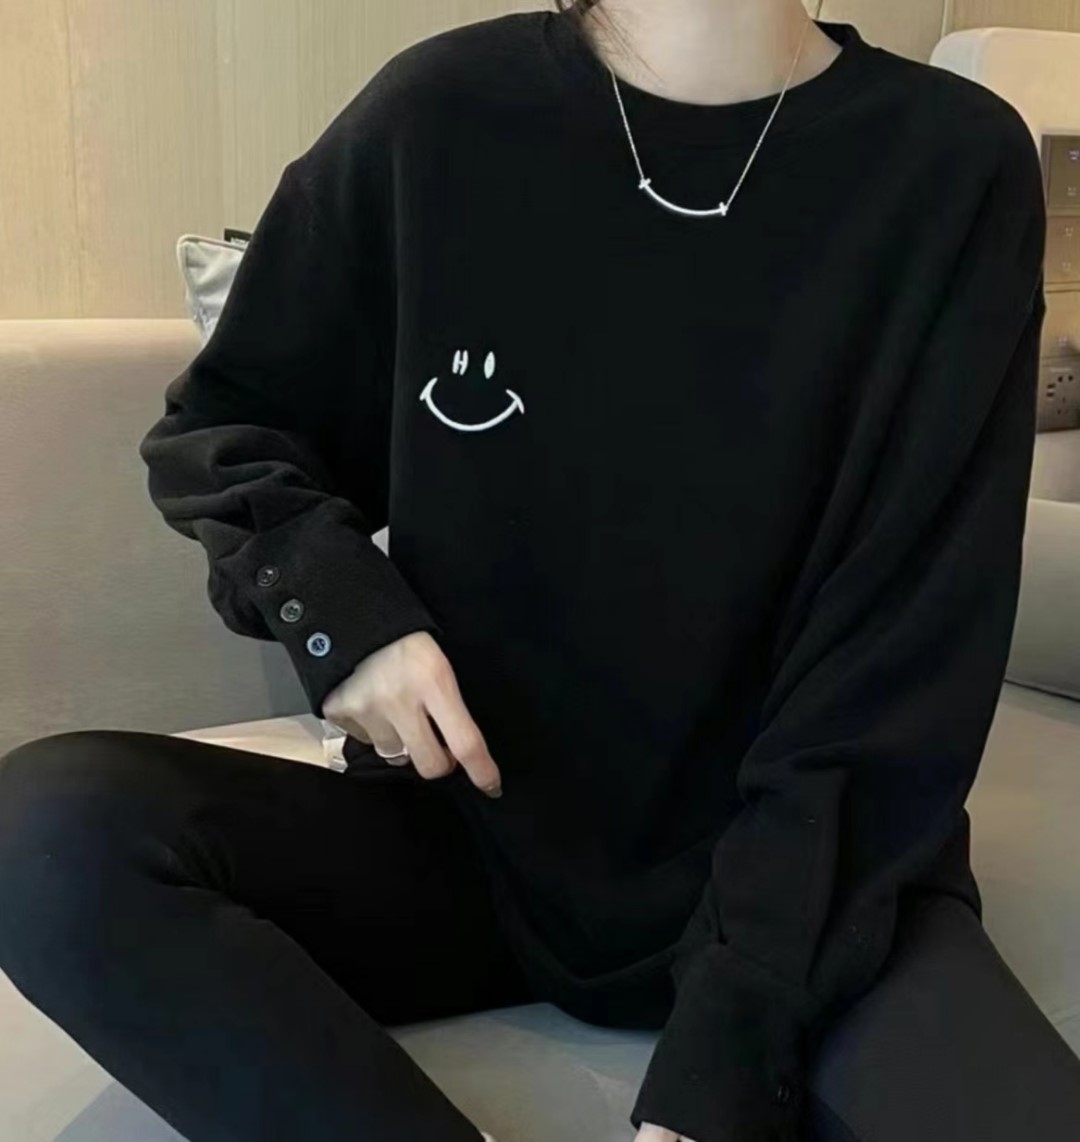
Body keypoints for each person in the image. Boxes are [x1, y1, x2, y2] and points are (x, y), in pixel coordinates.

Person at [1, 2, 1078, 1140]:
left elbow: (908, 648)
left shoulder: (953, 167)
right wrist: (347, 617)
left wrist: (729, 1049)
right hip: (471, 837)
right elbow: (224, 428)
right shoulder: (439, 116)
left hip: (805, 873)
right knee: (51, 836)